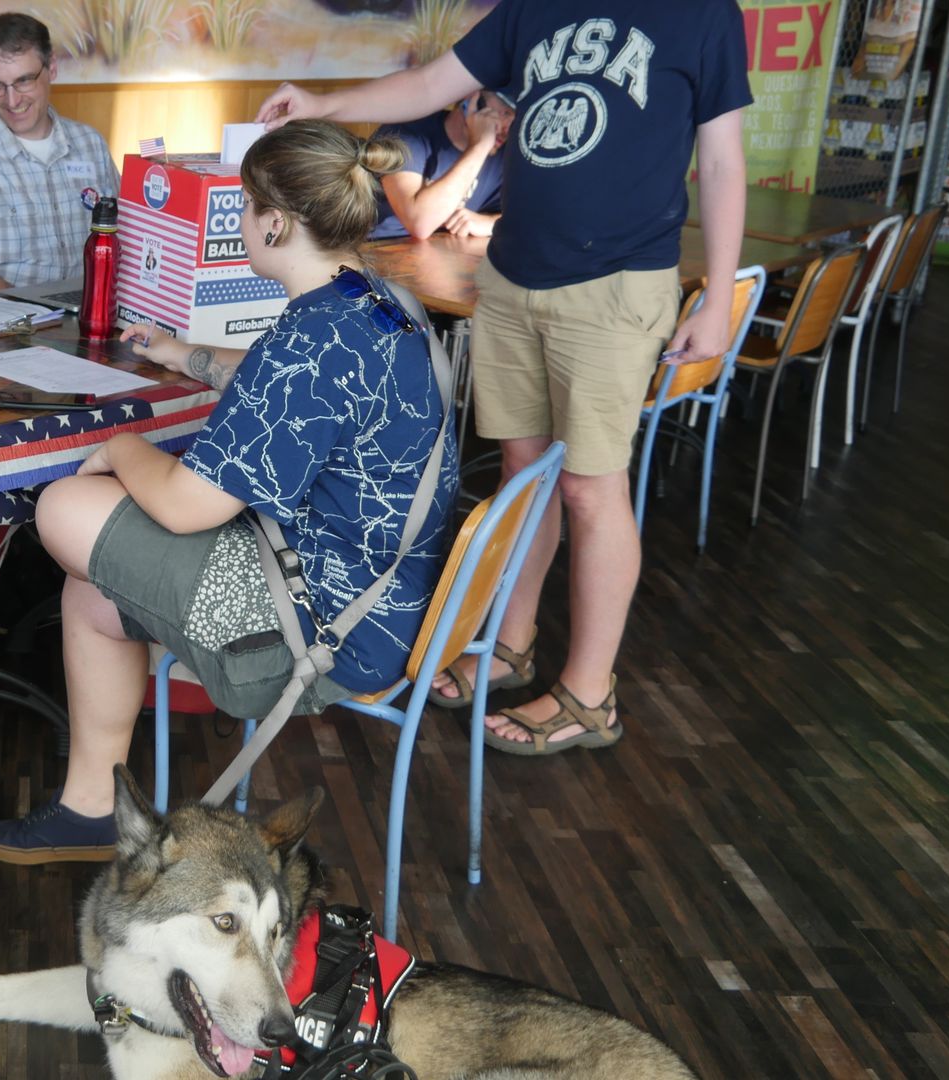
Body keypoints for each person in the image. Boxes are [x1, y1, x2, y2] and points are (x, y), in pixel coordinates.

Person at [257, 1, 751, 754]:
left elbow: (720, 159)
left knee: (591, 485)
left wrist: (718, 297)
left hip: (617, 285)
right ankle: (511, 645)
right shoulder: (534, 6)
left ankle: (590, 697)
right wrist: (326, 104)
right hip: (514, 276)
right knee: (522, 475)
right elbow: (428, 86)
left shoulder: (703, 12)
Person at [0, 121, 459, 863]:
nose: (236, 221)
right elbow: (300, 391)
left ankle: (99, 803)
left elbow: (183, 504)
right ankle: (90, 808)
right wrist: (188, 356)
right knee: (92, 588)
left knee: (64, 510)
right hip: (388, 596)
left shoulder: (309, 342)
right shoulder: (380, 302)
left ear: (276, 220)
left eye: (241, 205)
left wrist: (118, 447)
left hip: (324, 631)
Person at [0, 13, 120, 295]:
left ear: (51, 68)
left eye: (24, 81)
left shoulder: (90, 143)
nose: (12, 100)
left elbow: (123, 237)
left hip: (93, 312)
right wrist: (46, 314)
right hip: (7, 327)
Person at [371, 89, 515, 241]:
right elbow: (420, 223)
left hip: (443, 254)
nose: (508, 128)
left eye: (516, 118)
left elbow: (533, 217)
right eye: (505, 113)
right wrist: (480, 146)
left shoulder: (506, 156)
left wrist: (490, 223)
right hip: (372, 251)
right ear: (472, 97)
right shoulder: (406, 132)